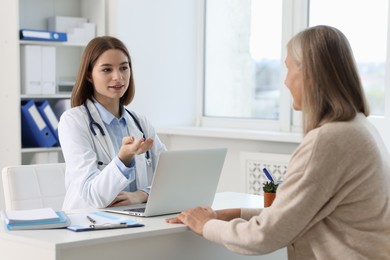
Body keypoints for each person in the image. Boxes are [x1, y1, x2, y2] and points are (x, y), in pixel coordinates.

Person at [167, 25, 390, 259]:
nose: (285, 82)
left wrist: (205, 225)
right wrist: (233, 213)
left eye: (289, 68)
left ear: (309, 74)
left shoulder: (328, 141)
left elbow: (263, 236)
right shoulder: (360, 128)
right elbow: (295, 213)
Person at [58, 36, 166, 210]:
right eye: (107, 70)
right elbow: (92, 195)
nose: (118, 77)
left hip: (135, 221)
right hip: (88, 223)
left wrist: (142, 195)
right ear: (89, 75)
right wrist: (123, 158)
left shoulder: (140, 122)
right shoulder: (73, 122)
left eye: (124, 68)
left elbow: (169, 177)